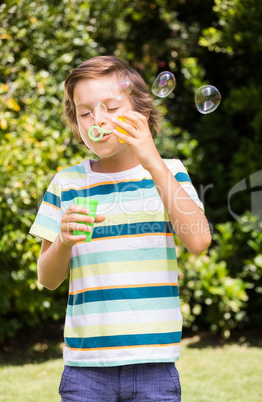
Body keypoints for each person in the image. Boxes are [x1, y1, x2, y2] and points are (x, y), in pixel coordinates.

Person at [30, 55, 211, 401]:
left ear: (140, 113)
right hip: (85, 369)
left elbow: (199, 240)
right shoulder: (67, 184)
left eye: (111, 107)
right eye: (85, 112)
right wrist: (64, 242)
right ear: (76, 125)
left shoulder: (168, 172)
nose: (98, 120)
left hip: (154, 365)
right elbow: (47, 278)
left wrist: (153, 162)